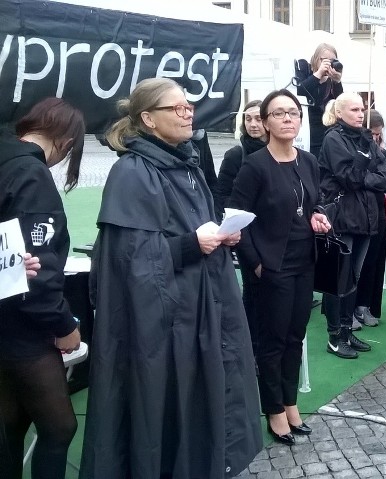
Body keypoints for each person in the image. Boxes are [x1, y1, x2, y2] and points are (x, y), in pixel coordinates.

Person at [81, 78, 262, 477]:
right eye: (176, 108)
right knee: (165, 411)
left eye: (189, 106)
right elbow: (128, 262)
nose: (187, 113)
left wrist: (218, 232)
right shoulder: (132, 172)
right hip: (166, 326)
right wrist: (191, 245)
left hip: (202, 306)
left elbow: (189, 229)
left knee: (203, 405)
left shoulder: (187, 163)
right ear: (147, 119)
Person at [228, 89, 331, 445]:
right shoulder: (254, 166)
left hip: (305, 263)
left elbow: (313, 204)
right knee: (271, 343)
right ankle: (273, 408)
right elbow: (237, 220)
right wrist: (255, 264)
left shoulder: (308, 161)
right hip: (271, 267)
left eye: (293, 113)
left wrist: (319, 216)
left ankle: (290, 402)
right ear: (266, 122)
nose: (288, 119)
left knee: (295, 337)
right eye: (279, 114)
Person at [0, 98, 84, 479]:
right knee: (59, 426)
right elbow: (39, 273)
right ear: (66, 141)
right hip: (23, 326)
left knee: (11, 424)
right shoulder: (31, 174)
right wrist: (64, 327)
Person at [318, 92, 386, 359]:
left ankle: (347, 330)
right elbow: (349, 177)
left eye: (362, 109)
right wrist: (365, 170)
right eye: (354, 110)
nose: (361, 114)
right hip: (344, 217)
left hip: (365, 217)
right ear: (339, 113)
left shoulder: (365, 139)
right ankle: (335, 335)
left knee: (353, 279)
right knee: (340, 279)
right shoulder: (333, 139)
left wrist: (365, 175)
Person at [212, 100, 267, 357]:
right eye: (248, 119)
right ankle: (251, 349)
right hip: (246, 235)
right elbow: (221, 193)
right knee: (254, 292)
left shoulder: (278, 151)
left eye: (257, 118)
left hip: (274, 233)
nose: (253, 124)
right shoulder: (236, 155)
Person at [353, 110, 386, 328]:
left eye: (378, 134)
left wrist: (369, 179)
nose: (376, 137)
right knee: (356, 263)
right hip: (357, 211)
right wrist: (370, 179)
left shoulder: (379, 149)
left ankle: (364, 305)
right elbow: (352, 177)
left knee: (373, 261)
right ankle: (349, 308)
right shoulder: (350, 146)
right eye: (373, 133)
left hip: (377, 211)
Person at [298, 43, 344, 158]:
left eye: (333, 60)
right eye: (325, 60)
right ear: (316, 59)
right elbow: (299, 92)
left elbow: (340, 103)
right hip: (307, 129)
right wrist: (318, 74)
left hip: (326, 130)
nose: (329, 64)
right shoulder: (305, 72)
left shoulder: (333, 81)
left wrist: (337, 82)